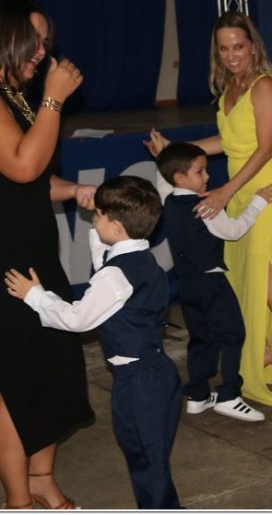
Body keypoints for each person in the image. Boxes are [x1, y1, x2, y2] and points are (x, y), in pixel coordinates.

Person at [145, 11, 272, 409]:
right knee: (243, 279)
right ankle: (266, 351)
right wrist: (174, 152)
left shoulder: (265, 86)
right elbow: (228, 142)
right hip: (238, 189)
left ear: (253, 46)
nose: (232, 55)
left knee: (267, 280)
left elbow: (265, 148)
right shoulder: (230, 90)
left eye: (238, 46)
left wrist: (225, 190)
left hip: (268, 189)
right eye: (224, 48)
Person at [5, 176, 183, 508]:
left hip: (138, 384)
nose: (93, 218)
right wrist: (98, 231)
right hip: (158, 374)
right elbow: (108, 268)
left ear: (116, 226)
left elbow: (77, 319)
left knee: (147, 463)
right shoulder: (142, 261)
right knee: (151, 458)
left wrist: (35, 296)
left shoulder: (116, 276)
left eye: (98, 215)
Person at [0, 0, 95, 510]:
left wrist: (76, 190)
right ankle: (18, 499)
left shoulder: (17, 99)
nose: (42, 51)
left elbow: (33, 181)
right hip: (6, 265)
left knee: (53, 367)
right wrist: (54, 99)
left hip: (34, 253)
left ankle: (40, 478)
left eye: (46, 43)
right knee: (15, 381)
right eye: (33, 40)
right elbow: (21, 165)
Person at [156, 142, 272, 422]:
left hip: (186, 286)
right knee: (232, 335)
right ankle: (229, 396)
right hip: (212, 284)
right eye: (200, 171)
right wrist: (257, 202)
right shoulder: (207, 206)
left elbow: (163, 182)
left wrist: (161, 155)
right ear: (180, 177)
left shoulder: (169, 201)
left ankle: (198, 396)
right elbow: (234, 231)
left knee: (201, 338)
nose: (208, 177)